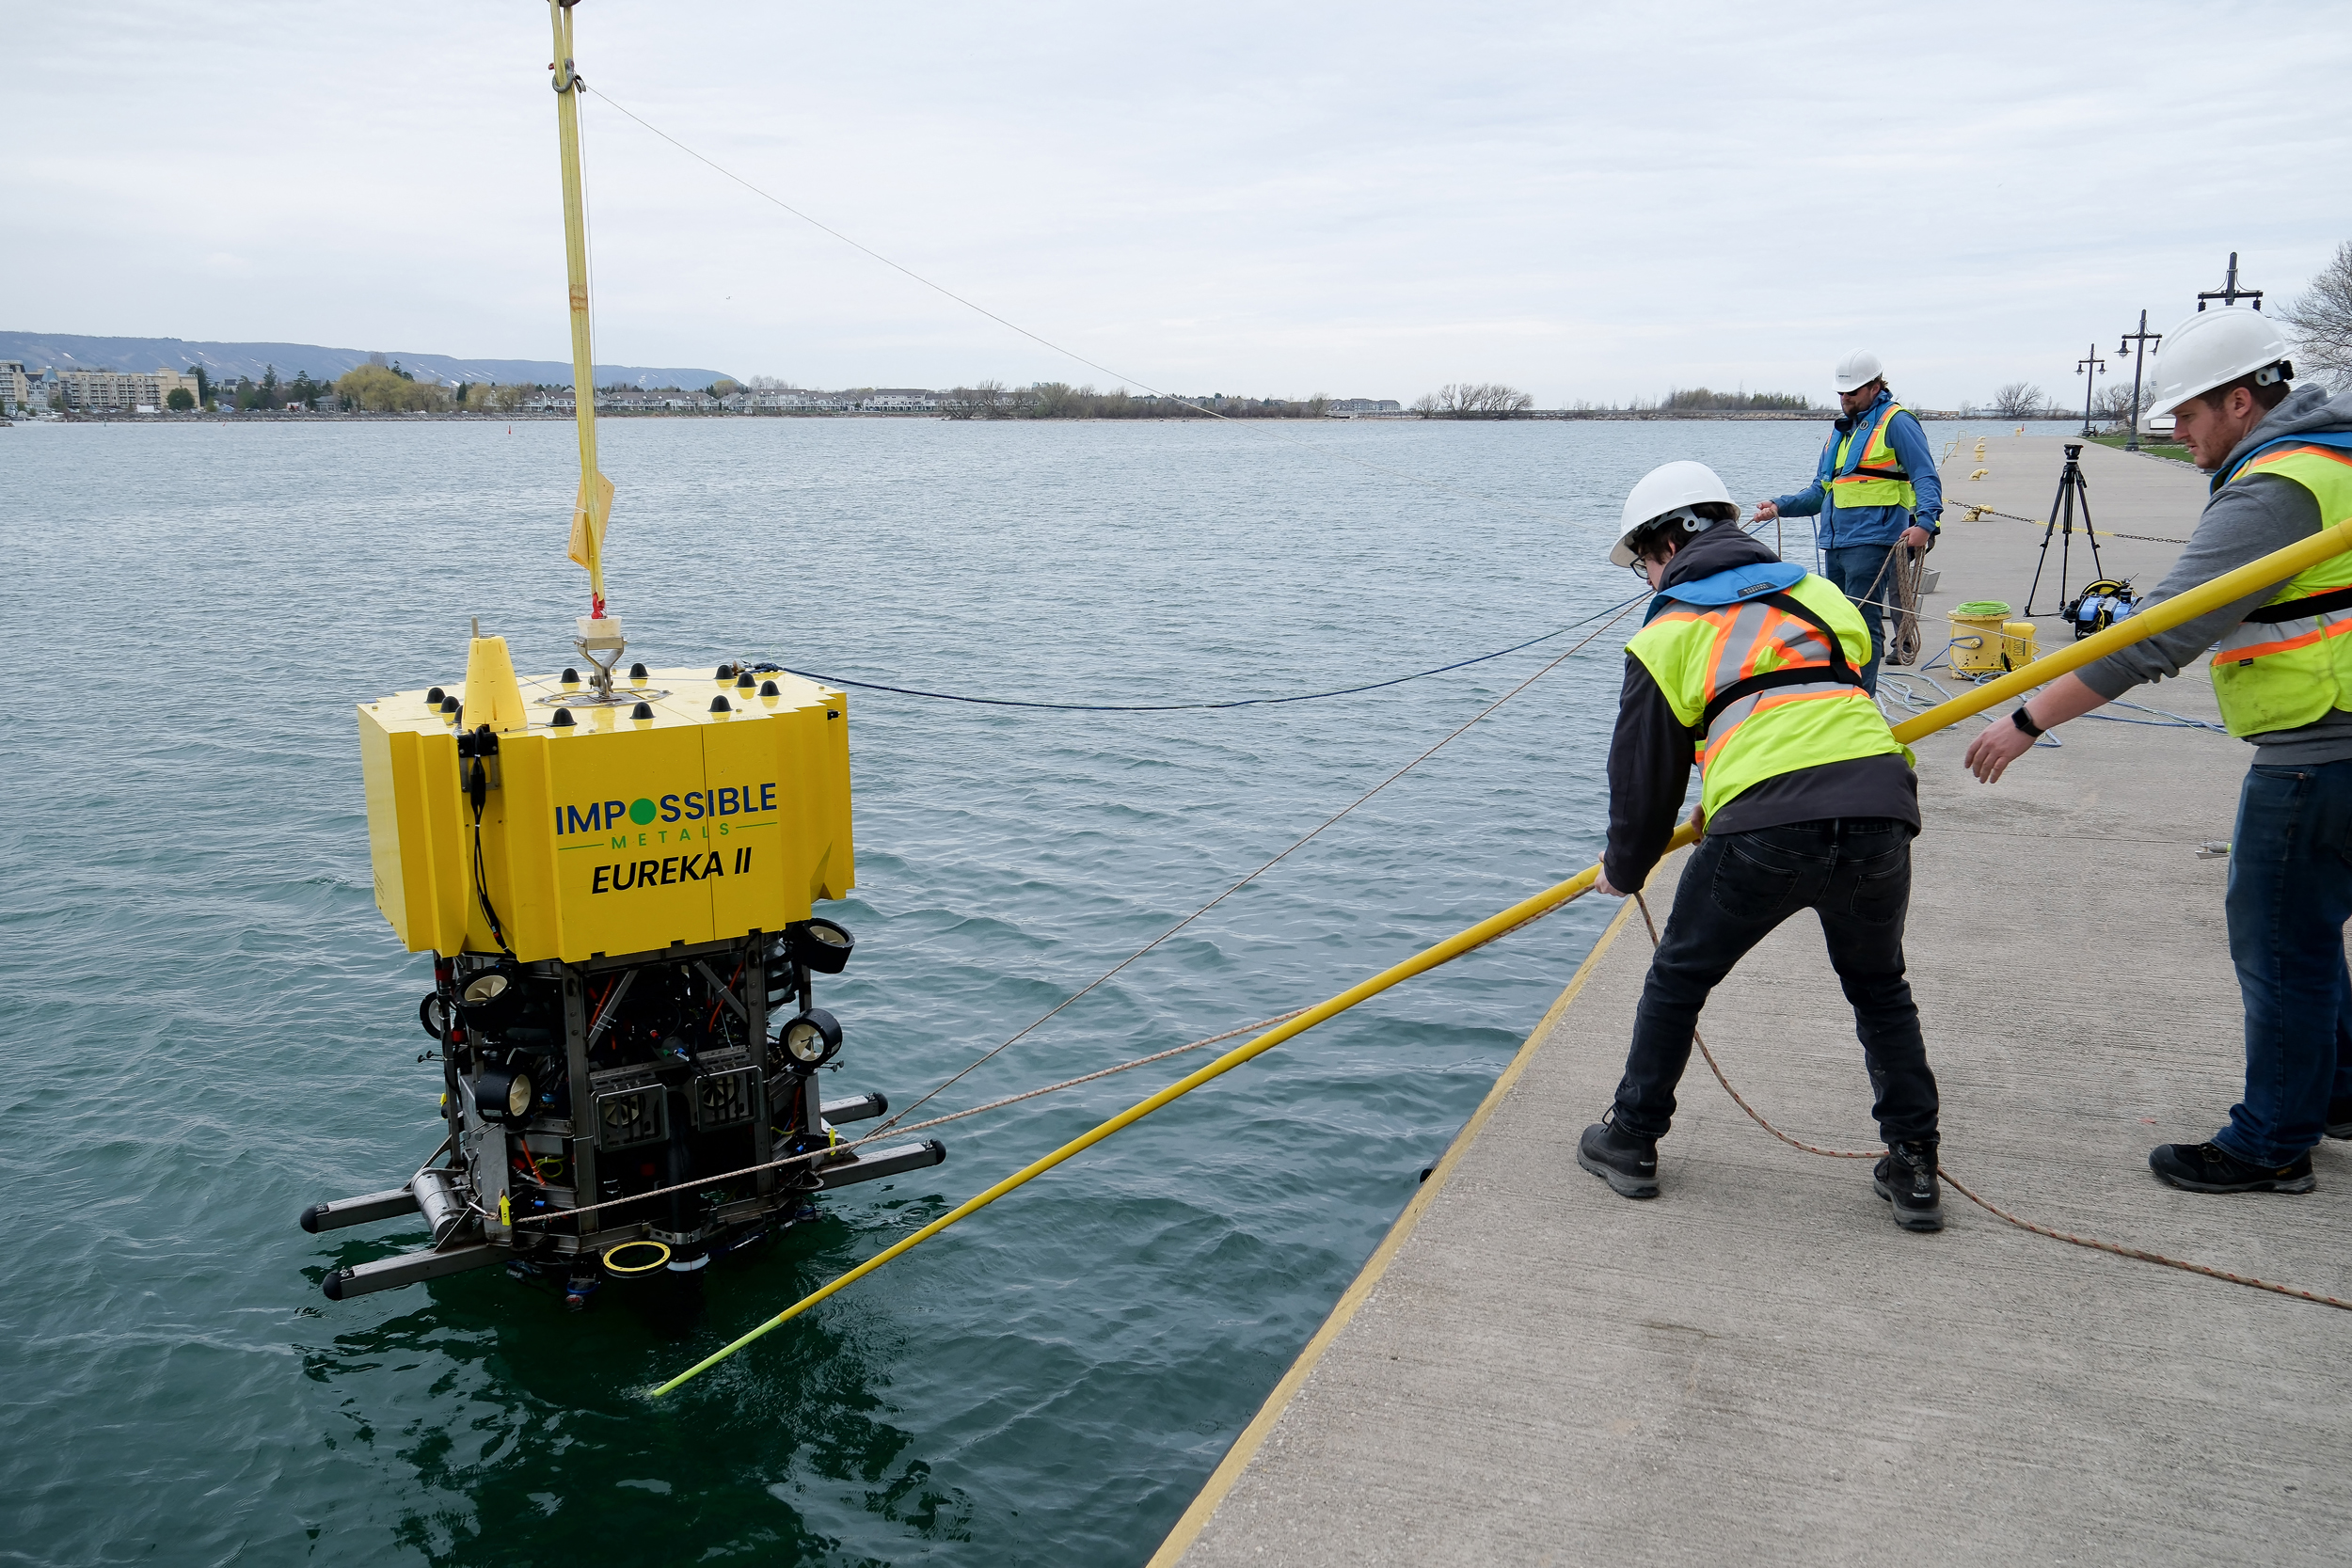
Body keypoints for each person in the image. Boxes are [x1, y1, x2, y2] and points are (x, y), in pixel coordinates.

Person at [1963, 308, 2352, 1196]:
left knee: (2280, 939)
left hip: (2322, 747)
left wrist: (2027, 721)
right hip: (2336, 742)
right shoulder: (2337, 457)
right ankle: (2336, 1091)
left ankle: (2271, 1143)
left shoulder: (2279, 487)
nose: (2176, 434)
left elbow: (2156, 634)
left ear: (2244, 402)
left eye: (2185, 416)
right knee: (2309, 925)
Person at [1577, 460, 1943, 1230]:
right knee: (1880, 989)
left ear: (1666, 543)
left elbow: (1643, 774)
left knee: (1678, 978)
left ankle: (1632, 1138)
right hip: (1879, 808)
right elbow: (1841, 696)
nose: (1647, 579)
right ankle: (1914, 1165)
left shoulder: (1668, 629)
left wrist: (1624, 867)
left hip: (1766, 826)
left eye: (1643, 562)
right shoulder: (1820, 595)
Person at [1754, 351, 1943, 692]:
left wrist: (1926, 523)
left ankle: (1861, 700)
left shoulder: (1897, 422)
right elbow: (1818, 492)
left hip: (1874, 541)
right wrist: (1778, 506)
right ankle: (1843, 692)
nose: (1845, 399)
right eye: (1841, 393)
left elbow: (1925, 476)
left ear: (1874, 387)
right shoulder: (1840, 433)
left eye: (1852, 392)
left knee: (1862, 622)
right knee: (1839, 623)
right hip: (1837, 544)